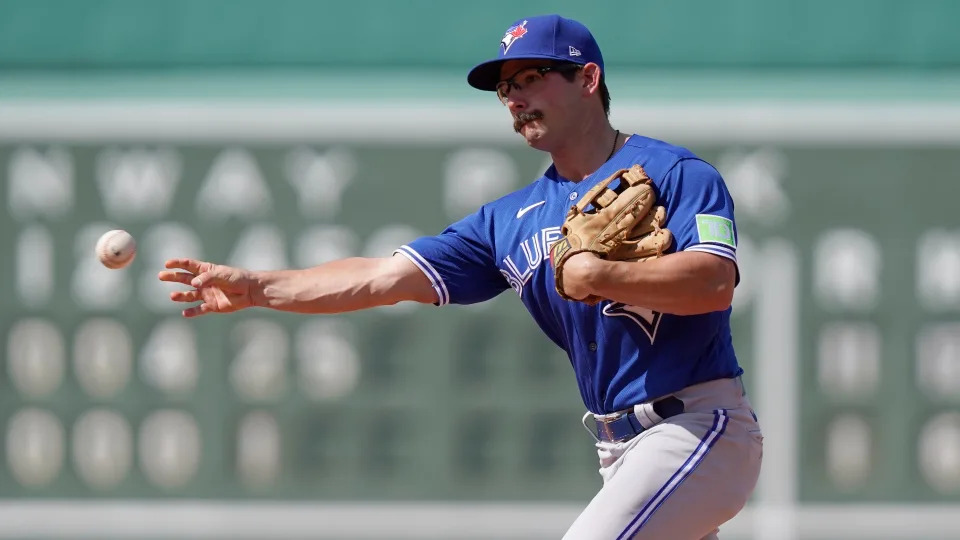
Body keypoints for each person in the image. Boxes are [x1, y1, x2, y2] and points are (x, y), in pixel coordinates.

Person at [158, 14, 762, 540]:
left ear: (588, 79)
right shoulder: (511, 219)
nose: (515, 98)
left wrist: (600, 273)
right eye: (505, 89)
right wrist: (261, 288)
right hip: (616, 451)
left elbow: (714, 281)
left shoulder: (675, 172)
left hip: (696, 429)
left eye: (531, 78)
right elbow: (380, 278)